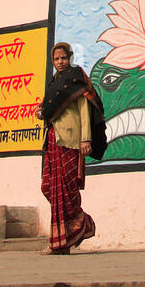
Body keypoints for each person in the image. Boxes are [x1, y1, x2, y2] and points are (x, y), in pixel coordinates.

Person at [37, 42, 105, 254]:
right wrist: (41, 112)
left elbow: (85, 110)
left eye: (63, 58)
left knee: (66, 190)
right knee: (50, 187)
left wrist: (86, 140)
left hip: (72, 140)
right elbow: (49, 109)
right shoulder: (54, 83)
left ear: (70, 58)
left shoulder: (76, 79)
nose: (60, 62)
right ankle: (77, 224)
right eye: (56, 59)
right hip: (54, 140)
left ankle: (60, 243)